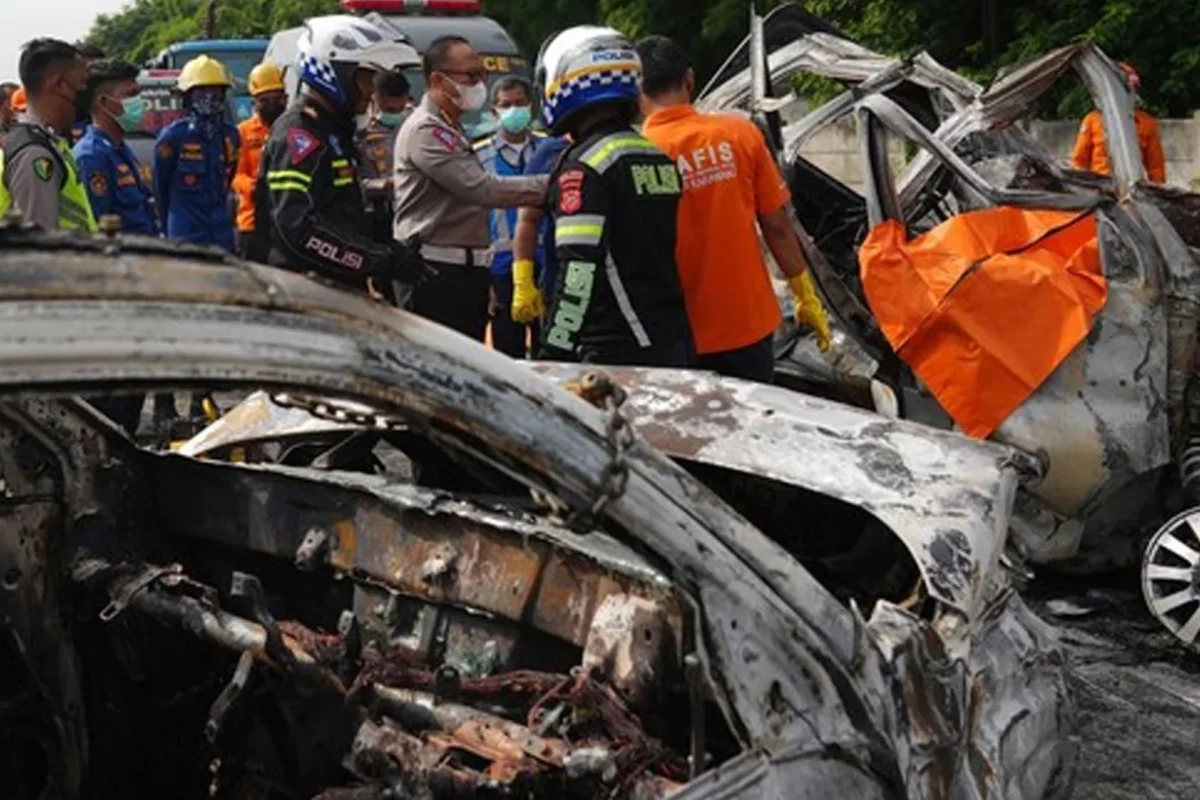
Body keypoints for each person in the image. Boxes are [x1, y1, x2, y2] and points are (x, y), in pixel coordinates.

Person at [635, 35, 831, 382]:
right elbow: (777, 225)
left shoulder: (634, 153)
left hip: (673, 333)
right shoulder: (740, 134)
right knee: (752, 428)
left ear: (637, 91)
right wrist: (805, 295)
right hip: (748, 326)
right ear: (690, 79)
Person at [530, 26, 694, 367]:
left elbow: (579, 270)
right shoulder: (653, 155)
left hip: (615, 353)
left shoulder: (586, 167)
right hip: (670, 335)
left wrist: (554, 352)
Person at [252, 14, 429, 301]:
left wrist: (388, 246)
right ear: (333, 70)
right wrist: (377, 260)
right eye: (364, 78)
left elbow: (340, 213)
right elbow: (296, 227)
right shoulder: (300, 133)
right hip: (302, 293)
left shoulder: (334, 130)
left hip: (335, 289)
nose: (371, 90)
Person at [392, 35, 548, 341]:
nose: (480, 84)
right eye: (471, 76)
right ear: (439, 81)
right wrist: (553, 185)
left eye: (483, 75)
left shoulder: (451, 127)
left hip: (463, 271)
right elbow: (482, 190)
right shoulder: (426, 130)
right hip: (434, 273)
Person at [73, 57, 159, 435]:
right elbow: (98, 236)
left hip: (139, 290)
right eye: (131, 96)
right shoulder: (93, 156)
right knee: (114, 407)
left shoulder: (120, 150)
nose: (141, 104)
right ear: (104, 102)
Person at [473, 75, 545, 357]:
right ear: (494, 112)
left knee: (548, 352)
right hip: (500, 269)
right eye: (506, 105)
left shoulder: (550, 149)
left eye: (520, 103)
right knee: (507, 353)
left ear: (531, 107)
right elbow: (475, 218)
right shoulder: (478, 156)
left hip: (544, 264)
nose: (514, 110)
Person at [0, 39, 94, 233]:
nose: (87, 94)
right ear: (59, 84)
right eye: (81, 86)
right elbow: (38, 250)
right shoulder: (35, 155)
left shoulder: (47, 142)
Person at [154, 55, 240, 251]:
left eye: (217, 91)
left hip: (221, 234)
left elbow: (228, 180)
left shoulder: (231, 136)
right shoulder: (172, 138)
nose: (210, 97)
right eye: (202, 91)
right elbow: (161, 190)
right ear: (188, 96)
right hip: (185, 235)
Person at [1071, 61, 1166, 184]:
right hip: (1100, 188)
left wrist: (1157, 192)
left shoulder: (1146, 123)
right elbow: (1079, 162)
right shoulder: (1093, 120)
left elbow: (1156, 167)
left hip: (1133, 189)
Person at [232, 61, 286, 258]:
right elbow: (236, 175)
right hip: (251, 220)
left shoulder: (293, 130)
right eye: (266, 99)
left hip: (285, 219)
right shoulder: (243, 133)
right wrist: (256, 188)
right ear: (254, 102)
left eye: (277, 98)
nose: (272, 104)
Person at [357, 69, 411, 243]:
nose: (395, 114)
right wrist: (383, 185)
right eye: (389, 109)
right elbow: (352, 183)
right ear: (376, 98)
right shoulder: (359, 131)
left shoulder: (414, 126)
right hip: (375, 216)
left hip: (410, 215)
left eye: (399, 108)